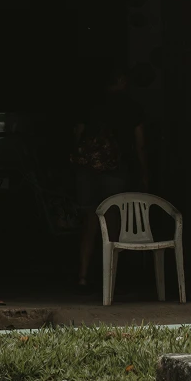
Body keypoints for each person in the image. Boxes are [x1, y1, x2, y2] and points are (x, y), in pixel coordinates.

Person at [71, 69, 149, 290]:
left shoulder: (90, 103)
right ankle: (111, 278)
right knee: (113, 221)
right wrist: (144, 173)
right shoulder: (131, 106)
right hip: (116, 170)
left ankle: (83, 276)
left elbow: (77, 135)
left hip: (87, 171)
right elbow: (140, 144)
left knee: (89, 221)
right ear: (122, 80)